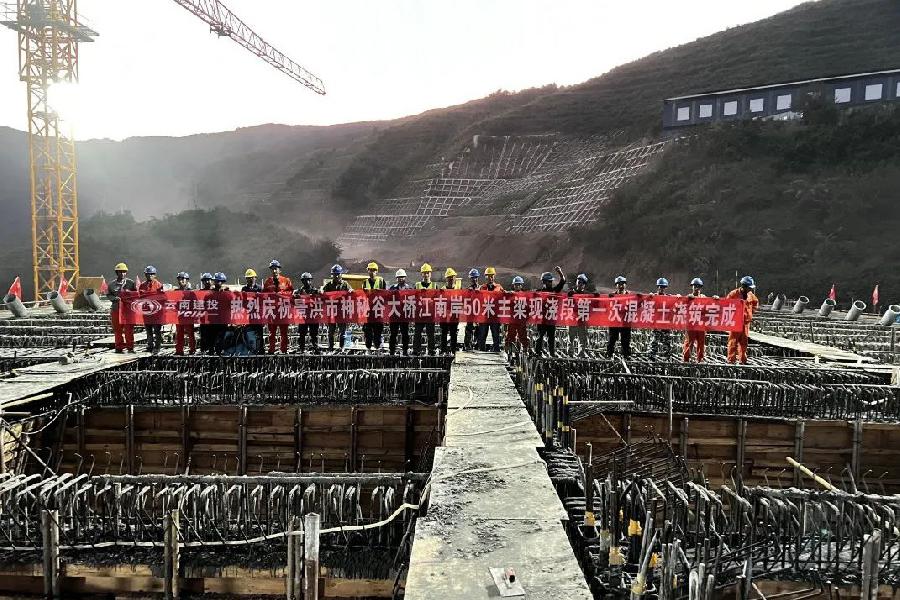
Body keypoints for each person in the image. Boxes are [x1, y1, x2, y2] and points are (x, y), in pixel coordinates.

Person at [726, 276, 759, 364]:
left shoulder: (751, 295)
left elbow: (755, 303)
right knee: (733, 341)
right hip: (735, 322)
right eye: (749, 287)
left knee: (744, 342)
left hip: (745, 323)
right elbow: (726, 304)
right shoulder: (733, 294)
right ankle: (731, 360)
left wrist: (751, 312)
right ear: (744, 286)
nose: (750, 289)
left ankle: (743, 360)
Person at [263, 259, 293, 354]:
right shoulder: (267, 282)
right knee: (272, 332)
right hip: (272, 311)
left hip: (283, 310)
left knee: (284, 332)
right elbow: (263, 295)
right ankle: (271, 349)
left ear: (279, 269)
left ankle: (283, 350)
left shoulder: (286, 281)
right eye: (272, 269)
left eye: (276, 268)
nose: (274, 271)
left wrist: (281, 294)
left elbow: (291, 293)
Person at [535, 267, 567, 356]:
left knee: (551, 337)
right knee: (540, 336)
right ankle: (538, 352)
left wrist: (560, 272)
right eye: (549, 281)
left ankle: (552, 353)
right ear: (544, 282)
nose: (550, 283)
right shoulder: (538, 292)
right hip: (542, 319)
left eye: (551, 281)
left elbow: (563, 281)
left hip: (551, 318)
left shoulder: (554, 291)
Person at [107, 262, 137, 353]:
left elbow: (136, 295)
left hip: (128, 310)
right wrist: (114, 298)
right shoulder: (111, 284)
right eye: (120, 272)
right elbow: (109, 295)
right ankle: (119, 346)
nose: (122, 273)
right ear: (117, 273)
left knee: (129, 329)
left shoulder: (131, 283)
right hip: (116, 310)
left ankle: (130, 347)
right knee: (117, 329)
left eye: (124, 272)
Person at [323, 264, 351, 351]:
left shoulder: (345, 285)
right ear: (332, 275)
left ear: (341, 274)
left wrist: (351, 291)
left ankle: (341, 348)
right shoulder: (328, 286)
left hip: (342, 312)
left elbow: (351, 293)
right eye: (335, 274)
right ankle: (330, 348)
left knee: (342, 332)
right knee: (330, 332)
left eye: (338, 274)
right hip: (331, 312)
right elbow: (322, 295)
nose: (337, 276)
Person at [477, 267, 504, 352]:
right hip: (484, 316)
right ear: (485, 277)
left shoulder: (499, 288)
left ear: (494, 276)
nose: (490, 278)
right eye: (488, 276)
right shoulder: (481, 288)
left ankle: (497, 352)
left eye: (492, 276)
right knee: (482, 336)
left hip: (494, 316)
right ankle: (481, 352)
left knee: (496, 336)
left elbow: (506, 297)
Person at [362, 261, 386, 352]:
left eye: (373, 270)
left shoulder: (381, 281)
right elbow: (362, 296)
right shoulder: (365, 282)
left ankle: (377, 347)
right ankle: (368, 348)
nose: (372, 272)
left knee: (378, 330)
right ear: (368, 271)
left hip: (378, 310)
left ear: (377, 271)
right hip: (368, 311)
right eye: (370, 270)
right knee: (367, 331)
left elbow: (386, 294)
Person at [413, 263, 437, 355]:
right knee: (417, 333)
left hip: (430, 314)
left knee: (430, 333)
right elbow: (414, 300)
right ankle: (416, 350)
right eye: (424, 273)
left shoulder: (434, 286)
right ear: (421, 274)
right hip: (420, 314)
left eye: (428, 273)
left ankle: (431, 350)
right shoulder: (417, 285)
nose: (426, 275)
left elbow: (437, 300)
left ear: (430, 273)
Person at [139, 266, 164, 354]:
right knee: (148, 330)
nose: (150, 276)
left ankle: (157, 346)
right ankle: (150, 346)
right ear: (145, 275)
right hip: (146, 311)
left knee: (157, 330)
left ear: (155, 275)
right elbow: (140, 297)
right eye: (148, 274)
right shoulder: (142, 285)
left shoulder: (158, 285)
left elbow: (162, 298)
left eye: (152, 274)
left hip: (156, 312)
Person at [606, 275, 632, 359]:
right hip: (615, 321)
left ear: (625, 285)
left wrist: (641, 298)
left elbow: (637, 305)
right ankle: (609, 355)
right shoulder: (612, 295)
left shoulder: (630, 296)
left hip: (625, 321)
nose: (621, 286)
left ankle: (626, 355)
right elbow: (605, 305)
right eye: (619, 284)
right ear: (616, 285)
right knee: (612, 339)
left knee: (625, 340)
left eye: (622, 284)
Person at [295, 272, 320, 353]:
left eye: (308, 280)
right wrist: (295, 297)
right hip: (303, 316)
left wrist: (319, 293)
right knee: (302, 333)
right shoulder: (299, 292)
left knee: (314, 334)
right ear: (302, 281)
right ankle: (301, 348)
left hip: (313, 316)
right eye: (305, 280)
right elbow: (293, 301)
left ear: (311, 281)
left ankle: (315, 347)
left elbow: (322, 299)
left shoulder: (315, 291)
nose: (307, 282)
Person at [683, 278, 707, 363]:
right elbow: (681, 305)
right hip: (691, 325)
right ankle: (686, 360)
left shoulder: (704, 297)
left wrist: (715, 298)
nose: (696, 288)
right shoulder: (688, 297)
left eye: (698, 286)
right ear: (692, 287)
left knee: (701, 343)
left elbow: (711, 305)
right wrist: (687, 299)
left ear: (701, 288)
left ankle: (700, 359)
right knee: (689, 342)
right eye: (695, 286)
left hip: (701, 325)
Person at [389, 269, 412, 356]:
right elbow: (387, 299)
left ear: (405, 277)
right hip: (394, 314)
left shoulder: (409, 289)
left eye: (402, 277)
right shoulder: (392, 288)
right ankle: (392, 351)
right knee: (393, 334)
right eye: (399, 277)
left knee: (405, 334)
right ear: (396, 278)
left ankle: (405, 351)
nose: (401, 279)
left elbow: (412, 302)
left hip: (404, 315)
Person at [567, 273, 591, 356]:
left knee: (582, 337)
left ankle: (581, 352)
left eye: (582, 283)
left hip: (582, 318)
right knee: (571, 336)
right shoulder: (571, 293)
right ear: (576, 282)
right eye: (579, 282)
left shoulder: (587, 295)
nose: (580, 284)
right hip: (573, 318)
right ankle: (570, 352)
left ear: (584, 285)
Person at [241, 268, 264, 354]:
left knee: (259, 335)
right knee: (249, 334)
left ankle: (260, 351)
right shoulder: (244, 289)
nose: (250, 279)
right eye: (248, 278)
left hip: (258, 316)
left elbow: (264, 303)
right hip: (248, 317)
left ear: (255, 278)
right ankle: (250, 351)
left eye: (252, 277)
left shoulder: (259, 288)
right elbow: (243, 303)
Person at [649, 277, 673, 359]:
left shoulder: (669, 297)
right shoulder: (653, 296)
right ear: (658, 287)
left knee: (667, 342)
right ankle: (652, 358)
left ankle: (667, 358)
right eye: (660, 287)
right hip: (656, 324)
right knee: (654, 342)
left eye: (663, 287)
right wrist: (649, 297)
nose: (662, 288)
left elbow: (677, 302)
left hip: (665, 324)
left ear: (665, 288)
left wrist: (678, 297)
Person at [440, 267, 462, 354]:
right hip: (444, 315)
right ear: (446, 278)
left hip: (454, 314)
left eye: (452, 277)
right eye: (449, 277)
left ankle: (453, 350)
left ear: (455, 278)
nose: (451, 279)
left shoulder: (458, 289)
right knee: (444, 333)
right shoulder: (442, 289)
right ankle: (443, 350)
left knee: (453, 333)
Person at [505, 276, 529, 353]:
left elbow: (528, 307)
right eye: (516, 285)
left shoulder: (525, 296)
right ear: (514, 285)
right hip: (513, 319)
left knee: (523, 335)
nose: (517, 286)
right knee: (510, 335)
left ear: (521, 285)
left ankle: (525, 350)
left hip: (521, 319)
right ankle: (508, 350)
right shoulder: (510, 294)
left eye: (519, 284)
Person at [174, 272, 196, 355]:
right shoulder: (175, 292)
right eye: (180, 279)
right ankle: (179, 350)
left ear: (187, 280)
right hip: (179, 316)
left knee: (190, 333)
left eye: (183, 279)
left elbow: (195, 303)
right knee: (179, 333)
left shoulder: (191, 292)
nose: (182, 281)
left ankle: (192, 349)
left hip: (188, 316)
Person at [208, 272, 229, 354]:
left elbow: (232, 300)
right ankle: (211, 353)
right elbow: (206, 300)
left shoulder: (227, 292)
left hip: (223, 319)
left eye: (218, 281)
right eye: (215, 281)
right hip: (213, 319)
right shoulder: (211, 292)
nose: (217, 283)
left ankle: (219, 353)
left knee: (221, 337)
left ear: (222, 282)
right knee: (212, 337)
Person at [197, 273, 215, 354]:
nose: (207, 282)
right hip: (203, 317)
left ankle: (212, 349)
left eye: (208, 280)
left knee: (212, 334)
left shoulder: (215, 291)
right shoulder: (200, 292)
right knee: (204, 334)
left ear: (211, 281)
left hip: (213, 317)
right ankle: (203, 349)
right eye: (205, 280)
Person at [463, 268, 481, 351]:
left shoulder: (481, 289)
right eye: (473, 278)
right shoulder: (468, 290)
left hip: (479, 312)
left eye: (476, 277)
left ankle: (478, 345)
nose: (474, 279)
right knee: (469, 328)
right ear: (470, 279)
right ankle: (467, 345)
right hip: (470, 312)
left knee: (479, 329)